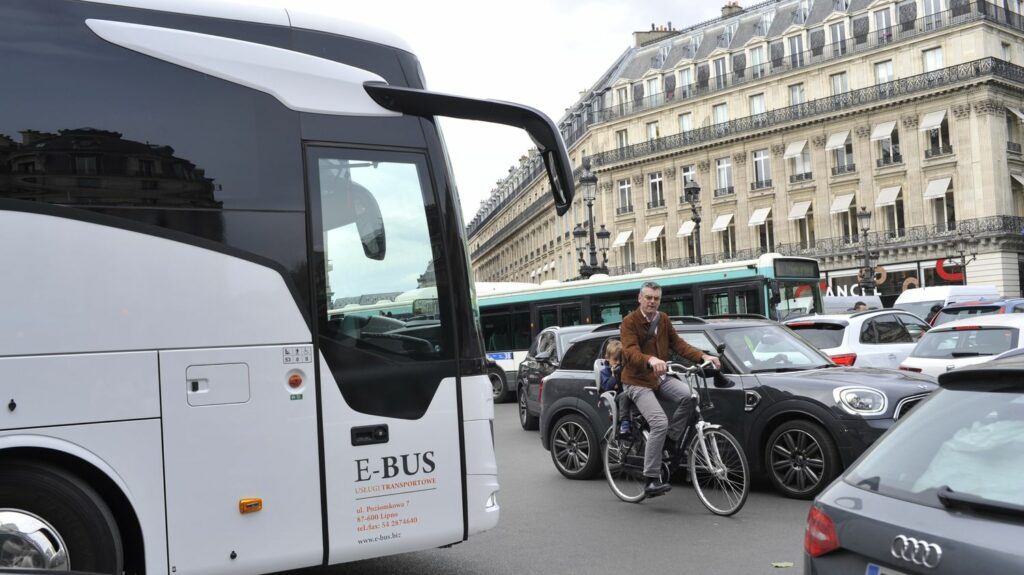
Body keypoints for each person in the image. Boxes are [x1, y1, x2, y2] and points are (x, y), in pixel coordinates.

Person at [620, 281, 721, 497]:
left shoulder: (663, 319)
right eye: (648, 297)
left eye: (656, 298)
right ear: (640, 298)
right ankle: (650, 479)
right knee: (658, 422)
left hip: (660, 378)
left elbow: (679, 344)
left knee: (690, 396)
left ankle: (671, 440)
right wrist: (651, 359)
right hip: (637, 381)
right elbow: (630, 353)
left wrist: (703, 356)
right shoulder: (629, 322)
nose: (652, 302)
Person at [599, 339, 632, 436]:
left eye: (620, 360)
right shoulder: (605, 372)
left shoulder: (624, 369)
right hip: (616, 397)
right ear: (607, 358)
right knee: (624, 395)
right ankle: (624, 423)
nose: (618, 362)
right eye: (615, 359)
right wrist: (613, 375)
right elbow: (607, 387)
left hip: (628, 394)